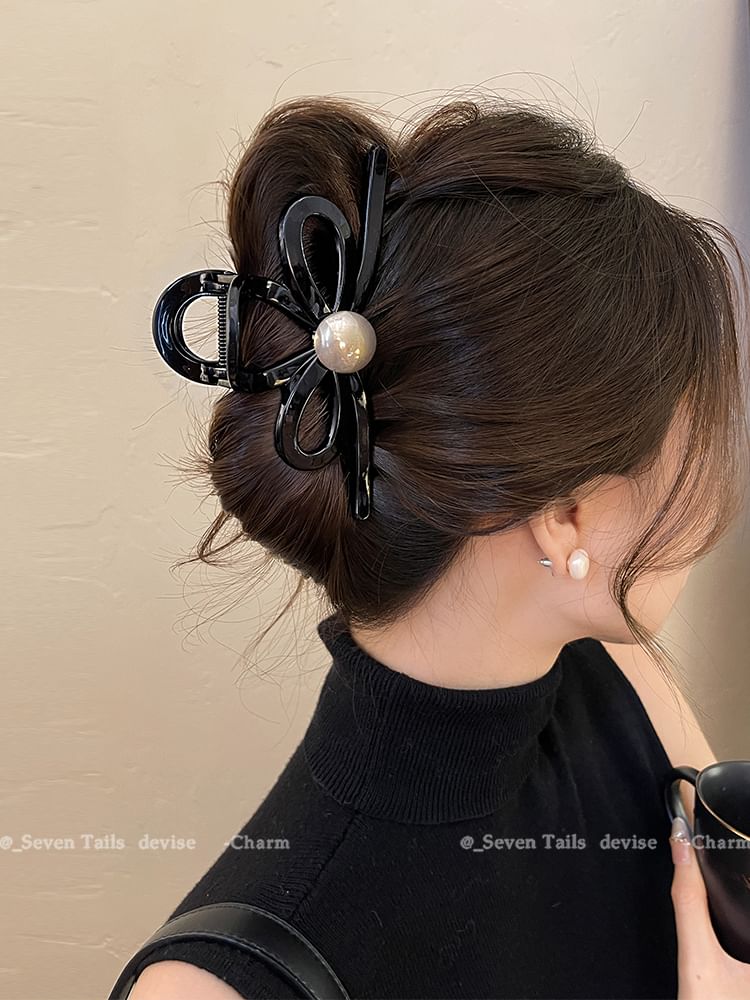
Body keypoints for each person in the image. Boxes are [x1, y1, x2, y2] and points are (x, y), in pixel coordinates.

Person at [118, 94, 750, 999]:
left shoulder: (625, 685)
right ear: (569, 513)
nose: (718, 486)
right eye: (695, 430)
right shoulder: (212, 993)